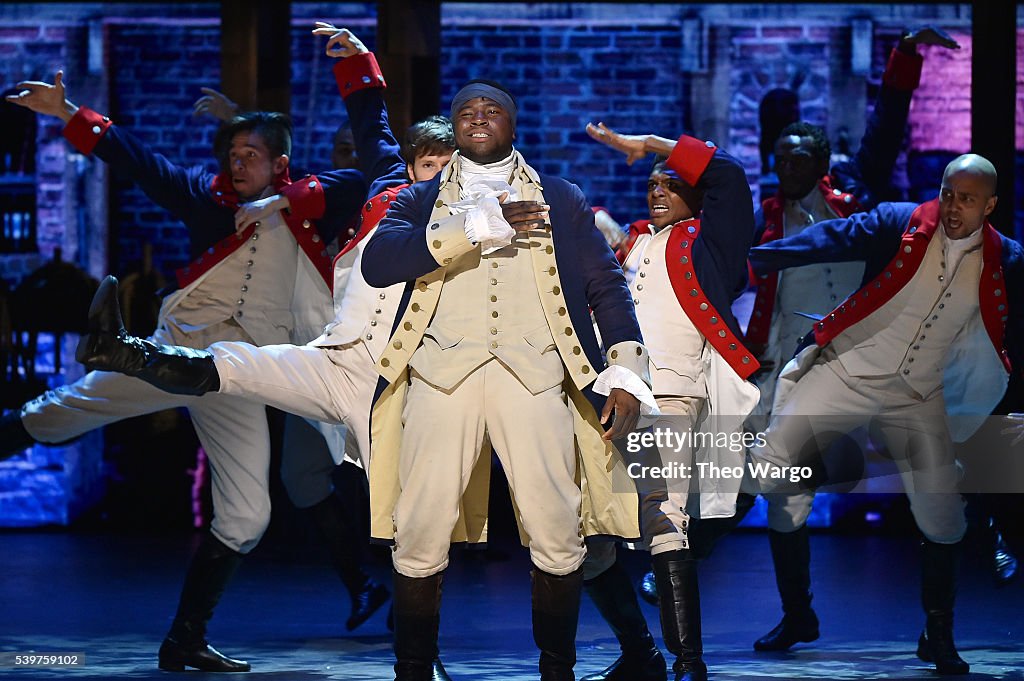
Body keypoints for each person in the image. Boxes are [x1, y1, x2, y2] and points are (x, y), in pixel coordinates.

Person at [64, 25, 457, 679]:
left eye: (451, 173)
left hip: (395, 385)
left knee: (412, 522)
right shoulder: (382, 182)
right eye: (428, 167)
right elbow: (369, 131)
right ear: (412, 166)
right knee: (231, 364)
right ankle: (120, 347)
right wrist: (358, 62)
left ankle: (416, 657)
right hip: (331, 357)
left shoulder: (475, 221)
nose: (436, 179)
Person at [1, 64, 377, 671]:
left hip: (237, 372)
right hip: (173, 350)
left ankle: (184, 639)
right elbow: (139, 161)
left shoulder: (310, 207)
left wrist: (288, 190)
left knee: (248, 514)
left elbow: (364, 180)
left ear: (282, 164)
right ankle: (104, 361)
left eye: (251, 154)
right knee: (67, 411)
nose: (236, 163)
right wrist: (71, 113)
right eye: (233, 152)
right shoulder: (207, 200)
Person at [357, 80, 656, 681]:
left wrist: (624, 371)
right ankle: (412, 670)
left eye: (492, 110)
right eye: (466, 111)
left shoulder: (562, 199)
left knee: (557, 522)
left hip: (536, 375)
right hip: (443, 375)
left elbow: (606, 288)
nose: (478, 118)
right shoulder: (420, 199)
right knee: (418, 524)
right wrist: (474, 226)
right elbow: (379, 262)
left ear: (513, 126)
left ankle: (557, 669)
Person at [746, 153, 1023, 675]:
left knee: (943, 515)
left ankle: (937, 634)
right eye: (947, 193)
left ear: (990, 205)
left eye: (967, 198)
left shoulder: (1005, 259)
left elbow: (1012, 340)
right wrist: (758, 256)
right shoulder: (903, 222)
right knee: (776, 469)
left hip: (916, 398)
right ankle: (793, 611)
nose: (952, 207)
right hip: (846, 370)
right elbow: (835, 238)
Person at [743, 27, 964, 653]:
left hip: (870, 353)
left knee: (931, 481)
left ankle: (940, 627)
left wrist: (904, 59)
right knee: (782, 493)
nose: (786, 167)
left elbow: (885, 129)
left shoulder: (857, 199)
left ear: (822, 163)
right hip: (793, 361)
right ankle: (798, 613)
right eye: (778, 157)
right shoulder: (760, 215)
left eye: (797, 159)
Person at [577, 123, 760, 681]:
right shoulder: (628, 245)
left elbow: (728, 173)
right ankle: (640, 653)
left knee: (666, 520)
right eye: (653, 183)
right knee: (581, 534)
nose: (657, 190)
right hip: (608, 399)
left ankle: (689, 664)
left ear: (697, 197)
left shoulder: (710, 245)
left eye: (671, 183)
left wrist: (649, 144)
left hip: (673, 396)